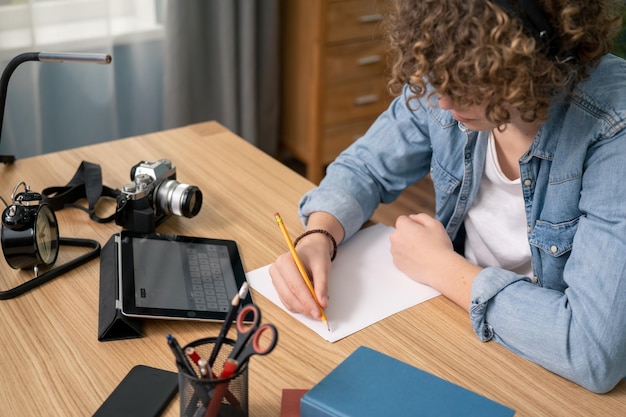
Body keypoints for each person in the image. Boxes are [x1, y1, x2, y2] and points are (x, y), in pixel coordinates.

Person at [270, 0, 626, 393]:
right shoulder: (453, 63)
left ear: (531, 60)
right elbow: (364, 167)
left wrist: (441, 267)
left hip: (548, 376)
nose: (443, 102)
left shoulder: (612, 130)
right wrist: (319, 236)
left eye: (468, 85)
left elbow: (593, 351)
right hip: (460, 330)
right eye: (438, 80)